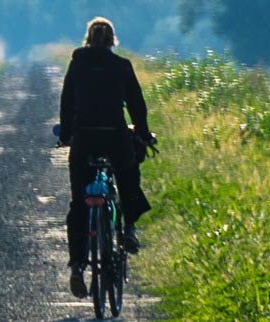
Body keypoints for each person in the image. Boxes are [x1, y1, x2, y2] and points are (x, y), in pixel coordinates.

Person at [57, 16, 155, 298]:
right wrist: (144, 135)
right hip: (115, 136)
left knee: (79, 202)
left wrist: (65, 134)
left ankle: (77, 266)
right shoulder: (122, 66)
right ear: (113, 40)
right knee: (128, 175)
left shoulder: (77, 64)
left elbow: (67, 101)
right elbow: (137, 105)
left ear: (88, 39)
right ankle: (129, 228)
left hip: (84, 139)